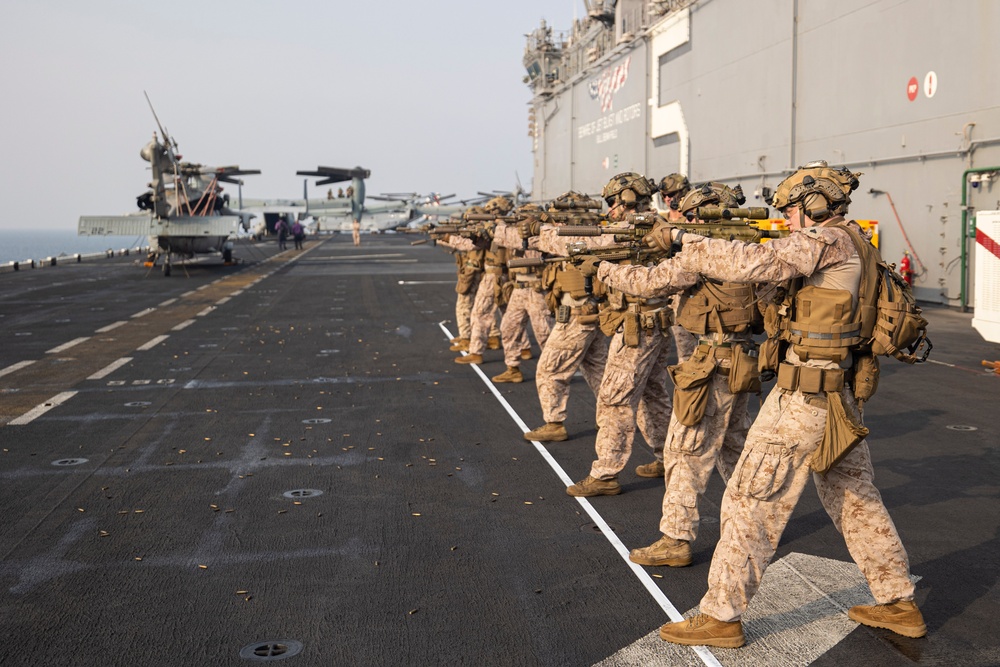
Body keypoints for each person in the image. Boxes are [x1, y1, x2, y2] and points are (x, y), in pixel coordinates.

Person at [616, 161, 925, 647]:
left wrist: (681, 239)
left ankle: (721, 616)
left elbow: (753, 263)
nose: (785, 219)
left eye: (791, 210)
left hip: (804, 397)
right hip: (836, 394)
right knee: (854, 496)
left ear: (814, 205)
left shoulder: (826, 240)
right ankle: (897, 601)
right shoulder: (854, 243)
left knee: (750, 498)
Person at [583, 183, 758, 568]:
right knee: (733, 446)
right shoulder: (747, 249)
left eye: (692, 217)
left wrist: (602, 268)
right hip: (740, 357)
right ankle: (751, 526)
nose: (686, 222)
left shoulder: (704, 253)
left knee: (684, 451)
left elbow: (648, 282)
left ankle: (676, 538)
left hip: (712, 362)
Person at [562, 172, 677, 496]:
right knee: (653, 394)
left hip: (637, 326)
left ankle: (605, 474)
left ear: (627, 200)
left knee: (615, 399)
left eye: (613, 201)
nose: (610, 208)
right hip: (654, 322)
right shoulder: (654, 227)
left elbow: (600, 246)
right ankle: (666, 458)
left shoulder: (637, 230)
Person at [522, 192, 610, 442]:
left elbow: (551, 241)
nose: (556, 224)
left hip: (577, 316)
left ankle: (554, 422)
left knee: (550, 370)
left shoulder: (577, 240)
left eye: (560, 220)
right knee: (598, 370)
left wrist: (537, 228)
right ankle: (610, 421)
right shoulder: (589, 236)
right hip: (587, 314)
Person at [490, 204, 555, 384]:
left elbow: (512, 239)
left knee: (545, 333)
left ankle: (552, 372)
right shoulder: (518, 232)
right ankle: (512, 368)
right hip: (519, 288)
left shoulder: (541, 234)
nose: (520, 222)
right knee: (508, 327)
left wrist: (500, 225)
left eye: (524, 218)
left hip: (536, 290)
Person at [455, 196, 521, 366]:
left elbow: (475, 246)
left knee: (480, 313)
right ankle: (524, 349)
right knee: (509, 314)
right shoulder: (509, 227)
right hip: (504, 275)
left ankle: (476, 351)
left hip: (494, 274)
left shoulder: (500, 228)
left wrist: (451, 238)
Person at [658, 174, 697, 364]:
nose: (668, 198)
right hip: (664, 294)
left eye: (672, 194)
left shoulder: (693, 221)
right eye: (665, 195)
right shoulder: (658, 221)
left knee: (689, 353)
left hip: (688, 293)